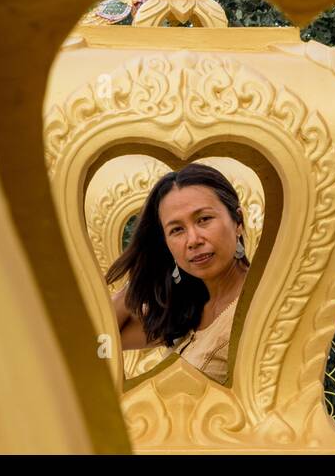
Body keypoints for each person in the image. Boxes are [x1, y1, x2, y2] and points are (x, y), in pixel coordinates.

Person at [107, 162, 250, 383]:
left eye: (204, 219)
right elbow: (99, 347)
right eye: (177, 230)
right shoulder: (188, 311)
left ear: (237, 221)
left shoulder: (260, 305)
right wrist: (136, 285)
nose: (193, 240)